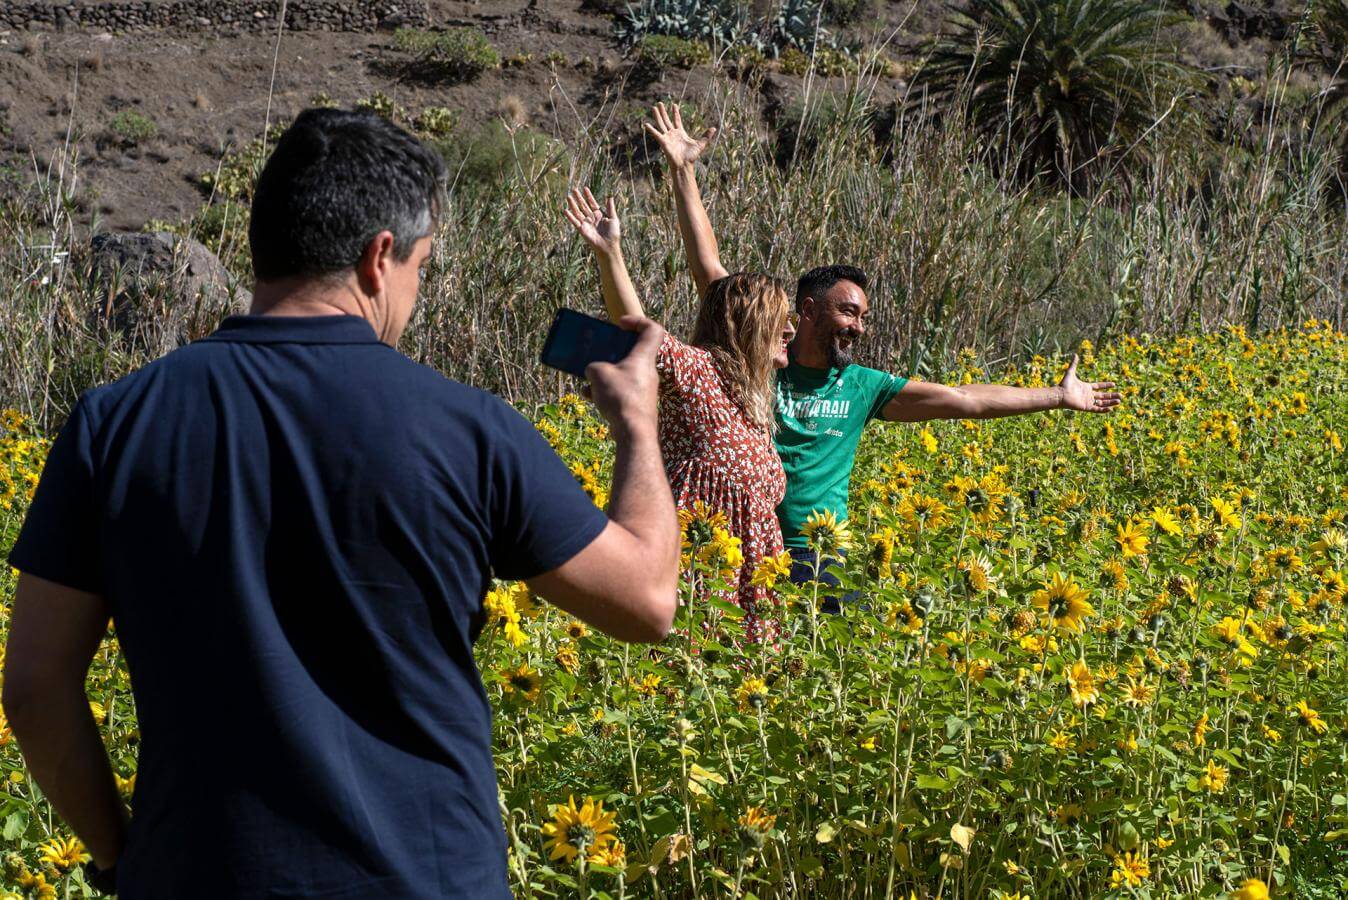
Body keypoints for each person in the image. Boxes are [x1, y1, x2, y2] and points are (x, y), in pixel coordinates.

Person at [2, 108, 680, 899]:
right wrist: (637, 419)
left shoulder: (112, 424)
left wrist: (122, 855)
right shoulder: (466, 429)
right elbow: (648, 602)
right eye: (422, 267)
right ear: (378, 257)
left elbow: (35, 686)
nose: (416, 291)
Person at [643, 102, 1122, 605]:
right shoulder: (759, 364)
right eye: (848, 312)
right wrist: (683, 170)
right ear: (807, 311)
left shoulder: (862, 388)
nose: (859, 327)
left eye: (863, 317)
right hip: (743, 545)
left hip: (820, 557)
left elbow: (963, 398)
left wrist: (1056, 395)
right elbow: (709, 270)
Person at [564, 186, 795, 643]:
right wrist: (611, 254)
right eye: (779, 319)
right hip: (699, 591)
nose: (790, 329)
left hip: (751, 606)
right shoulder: (697, 372)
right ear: (748, 324)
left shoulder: (754, 402)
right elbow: (639, 331)